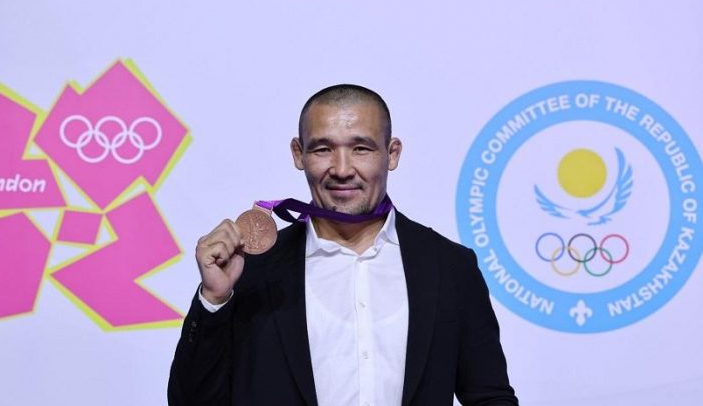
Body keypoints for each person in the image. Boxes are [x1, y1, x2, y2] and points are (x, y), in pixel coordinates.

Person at [168, 84, 518, 406]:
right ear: (298, 154)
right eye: (323, 149)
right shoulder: (251, 269)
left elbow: (489, 398)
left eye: (361, 148)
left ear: (392, 153)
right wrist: (213, 301)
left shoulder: (450, 267)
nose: (342, 169)